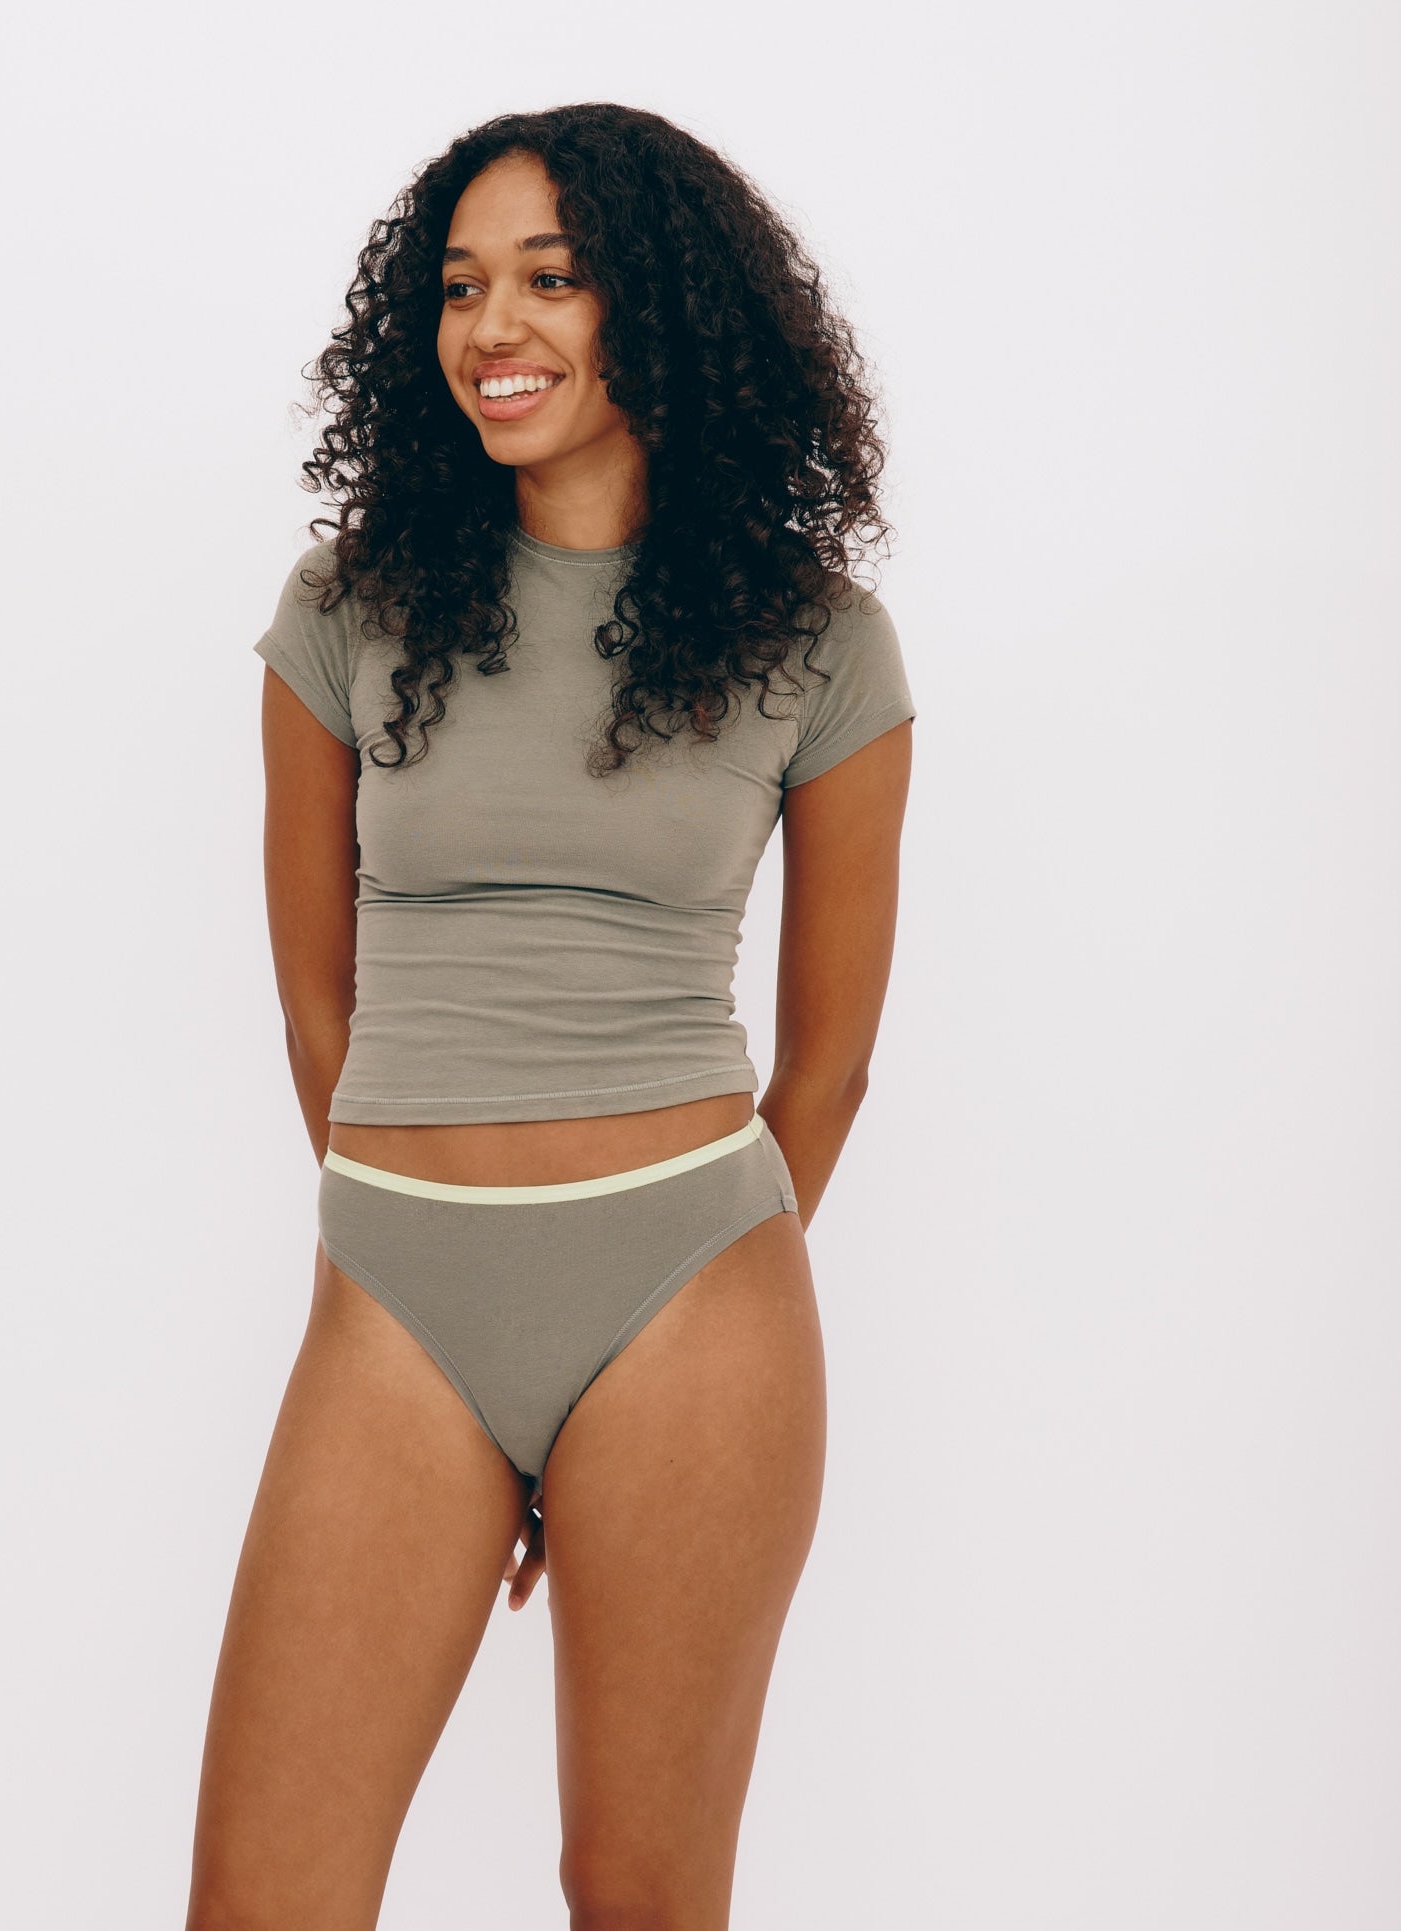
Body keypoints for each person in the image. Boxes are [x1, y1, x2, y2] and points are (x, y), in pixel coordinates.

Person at [188, 101, 917, 1928]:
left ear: (657, 310)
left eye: (549, 278)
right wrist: (424, 1229)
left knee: (637, 1898)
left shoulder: (820, 643)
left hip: (691, 1296)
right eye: (458, 288)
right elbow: (316, 1003)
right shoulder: (349, 609)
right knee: (262, 1901)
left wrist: (663, 1271)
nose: (491, 328)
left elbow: (829, 1060)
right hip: (400, 1289)